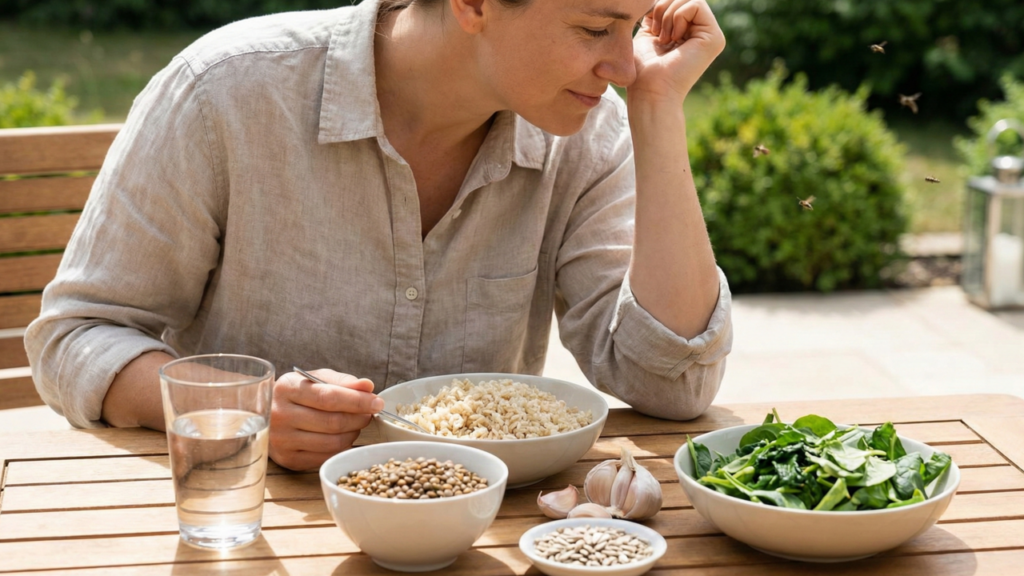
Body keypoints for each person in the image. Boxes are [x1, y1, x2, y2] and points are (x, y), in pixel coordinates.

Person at [25, 0, 733, 471]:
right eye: (595, 28)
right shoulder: (227, 93)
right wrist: (247, 407)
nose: (625, 65)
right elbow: (76, 336)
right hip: (253, 534)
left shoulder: (589, 131)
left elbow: (670, 383)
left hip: (480, 541)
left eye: (633, 26)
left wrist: (658, 109)